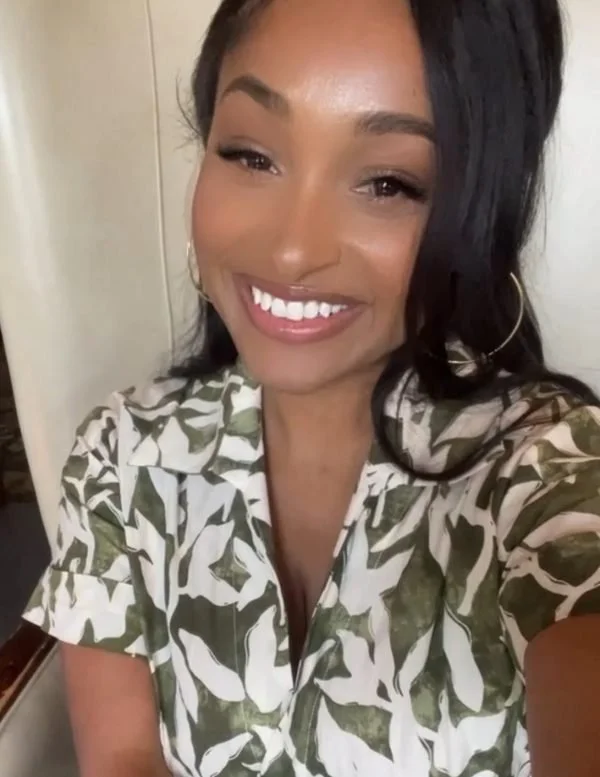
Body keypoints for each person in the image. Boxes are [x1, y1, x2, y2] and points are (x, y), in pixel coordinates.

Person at [23, 0, 600, 775]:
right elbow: (123, 757)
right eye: (252, 155)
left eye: (390, 182)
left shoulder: (546, 477)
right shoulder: (124, 460)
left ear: (476, 212)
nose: (292, 249)